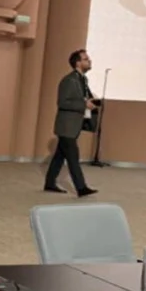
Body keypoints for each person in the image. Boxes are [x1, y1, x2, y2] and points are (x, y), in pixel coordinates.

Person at [44, 49, 99, 197]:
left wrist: (91, 102)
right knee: (73, 157)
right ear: (77, 63)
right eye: (86, 59)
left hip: (73, 125)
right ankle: (81, 188)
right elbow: (62, 102)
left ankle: (49, 183)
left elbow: (81, 98)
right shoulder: (69, 80)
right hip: (66, 126)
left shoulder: (83, 80)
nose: (89, 61)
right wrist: (84, 105)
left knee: (59, 156)